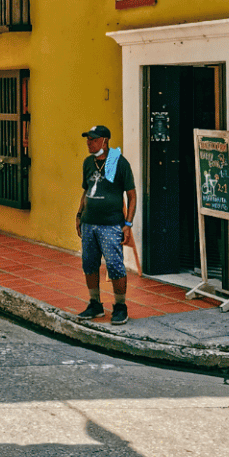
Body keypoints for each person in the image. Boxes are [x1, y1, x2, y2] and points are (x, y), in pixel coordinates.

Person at [75, 125, 136, 326]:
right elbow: (86, 191)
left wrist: (128, 224)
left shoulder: (119, 162)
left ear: (105, 141)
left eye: (93, 139)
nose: (89, 143)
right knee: (89, 264)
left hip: (111, 224)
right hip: (89, 223)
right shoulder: (88, 163)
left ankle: (120, 306)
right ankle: (95, 304)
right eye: (88, 139)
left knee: (114, 265)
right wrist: (79, 215)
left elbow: (132, 195)